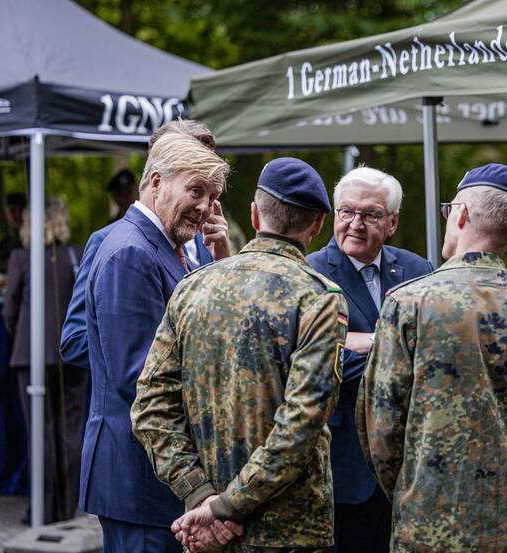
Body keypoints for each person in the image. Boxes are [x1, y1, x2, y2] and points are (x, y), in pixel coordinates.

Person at [356, 163, 507, 552]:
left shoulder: (410, 302)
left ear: (460, 215)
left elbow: (380, 424)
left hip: (429, 527)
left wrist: (413, 491)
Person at [132, 157, 347, 553]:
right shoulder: (319, 297)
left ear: (254, 213)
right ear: (318, 225)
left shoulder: (192, 289)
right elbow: (301, 424)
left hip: (209, 529)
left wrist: (200, 496)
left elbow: (149, 407)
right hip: (289, 529)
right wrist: (224, 507)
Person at [81, 131, 229, 553]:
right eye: (195, 190)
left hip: (156, 476)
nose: (204, 207)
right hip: (140, 480)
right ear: (156, 182)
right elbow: (140, 378)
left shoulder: (165, 246)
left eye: (211, 195)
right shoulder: (132, 252)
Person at [307, 167, 433, 553]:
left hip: (410, 461)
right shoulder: (310, 273)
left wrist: (361, 343)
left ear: (392, 222)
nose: (356, 224)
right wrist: (393, 344)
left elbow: (432, 355)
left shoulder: (418, 271)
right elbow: (314, 363)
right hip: (345, 460)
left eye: (371, 215)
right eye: (347, 212)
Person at [59, 119, 225, 369]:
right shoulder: (116, 245)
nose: (203, 168)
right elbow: (76, 341)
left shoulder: (205, 241)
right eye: (194, 185)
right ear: (160, 173)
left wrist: (223, 263)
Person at [2, 197, 87, 523]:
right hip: (73, 355)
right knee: (70, 431)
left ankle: (43, 507)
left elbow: (9, 311)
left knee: (41, 431)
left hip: (30, 355)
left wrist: (21, 334)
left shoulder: (21, 258)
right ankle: (66, 506)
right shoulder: (75, 255)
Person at [0, 192, 27, 274]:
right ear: (7, 213)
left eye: (21, 210)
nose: (18, 215)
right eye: (13, 211)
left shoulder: (39, 241)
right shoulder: (0, 247)